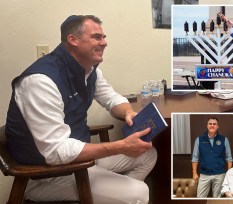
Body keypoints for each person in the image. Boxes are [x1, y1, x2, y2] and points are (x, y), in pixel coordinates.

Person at [5, 15, 157, 204]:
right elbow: (55, 151)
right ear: (73, 40)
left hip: (77, 161)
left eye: (104, 37)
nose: (105, 42)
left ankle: (111, 198)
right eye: (97, 37)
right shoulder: (40, 81)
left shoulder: (89, 71)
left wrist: (127, 112)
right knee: (138, 193)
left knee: (148, 154)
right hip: (45, 174)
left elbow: (111, 98)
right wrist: (120, 146)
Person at [192, 117, 233, 197]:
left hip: (219, 174)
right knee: (200, 198)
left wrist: (228, 174)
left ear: (218, 126)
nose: (212, 125)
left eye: (214, 124)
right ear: (207, 126)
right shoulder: (199, 139)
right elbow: (195, 157)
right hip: (204, 174)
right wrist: (194, 172)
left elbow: (229, 158)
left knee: (217, 199)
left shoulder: (224, 139)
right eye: (210, 124)